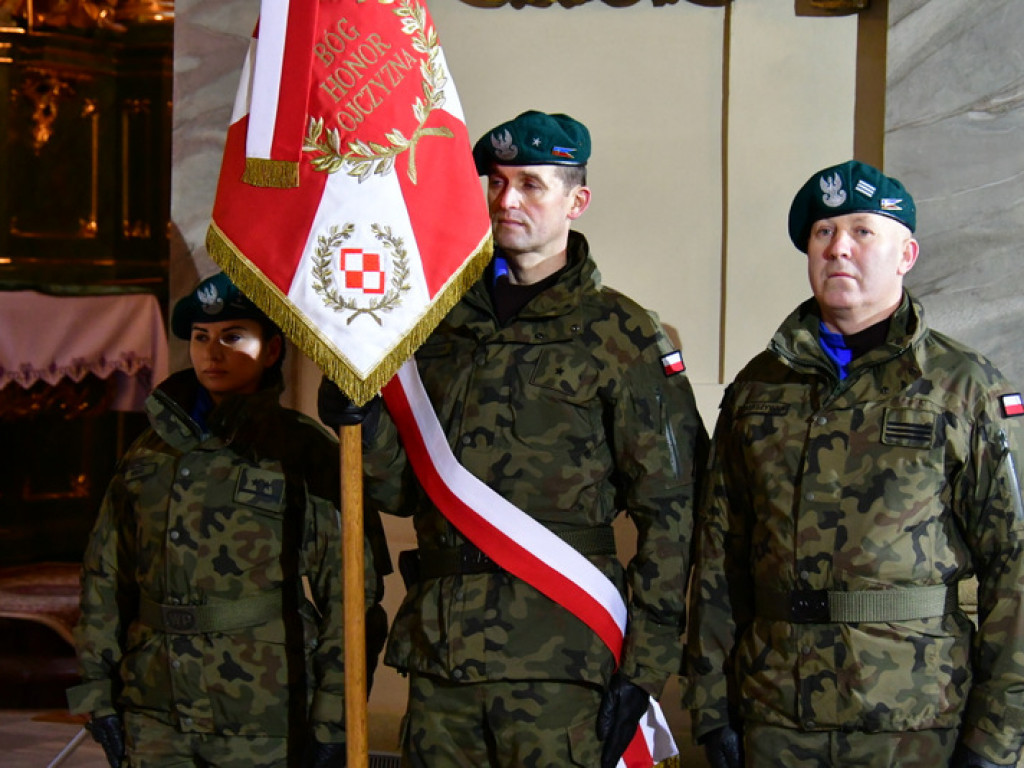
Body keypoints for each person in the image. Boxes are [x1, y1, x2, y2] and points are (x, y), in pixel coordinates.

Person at [319, 110, 708, 767]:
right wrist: (361, 423)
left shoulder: (622, 334)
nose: (507, 201)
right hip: (444, 654)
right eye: (495, 183)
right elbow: (404, 489)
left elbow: (674, 511)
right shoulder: (432, 327)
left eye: (532, 184)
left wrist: (646, 668)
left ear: (576, 201)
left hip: (564, 656)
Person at [685, 160, 1024, 768]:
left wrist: (996, 739)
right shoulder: (757, 391)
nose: (838, 248)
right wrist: (712, 709)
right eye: (822, 233)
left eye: (862, 231)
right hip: (775, 718)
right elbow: (718, 559)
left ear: (906, 253)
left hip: (914, 725)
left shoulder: (963, 389)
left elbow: (1016, 568)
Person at [67, 272, 390, 768]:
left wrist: (334, 718)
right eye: (200, 338)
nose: (211, 353)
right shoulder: (149, 451)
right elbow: (104, 580)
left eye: (233, 337)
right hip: (156, 706)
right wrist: (96, 689)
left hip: (264, 713)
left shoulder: (303, 452)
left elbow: (351, 597)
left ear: (273, 349)